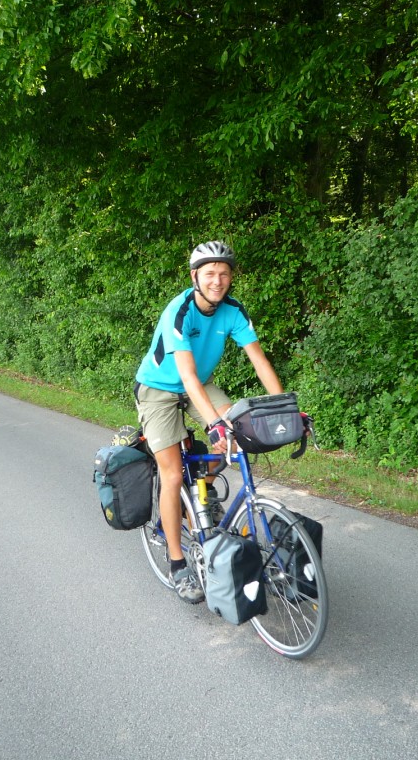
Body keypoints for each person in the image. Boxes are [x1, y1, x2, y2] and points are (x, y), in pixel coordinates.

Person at [134, 240, 285, 603]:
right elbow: (184, 377)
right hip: (159, 390)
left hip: (198, 385)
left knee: (236, 437)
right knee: (171, 475)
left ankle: (201, 488)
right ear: (195, 276)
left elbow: (260, 362)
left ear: (231, 278)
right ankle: (177, 563)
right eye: (210, 273)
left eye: (224, 273)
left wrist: (283, 406)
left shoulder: (233, 310)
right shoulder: (180, 311)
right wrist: (215, 423)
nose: (218, 280)